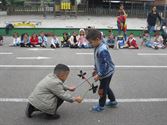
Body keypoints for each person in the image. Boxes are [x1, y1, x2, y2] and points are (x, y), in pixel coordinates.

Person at [86, 29, 118, 112]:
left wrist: (99, 74)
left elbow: (105, 65)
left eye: (91, 42)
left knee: (102, 90)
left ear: (97, 39)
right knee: (106, 87)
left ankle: (101, 106)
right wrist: (95, 69)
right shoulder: (98, 45)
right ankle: (113, 101)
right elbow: (99, 61)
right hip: (106, 71)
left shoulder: (102, 50)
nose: (90, 44)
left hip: (106, 73)